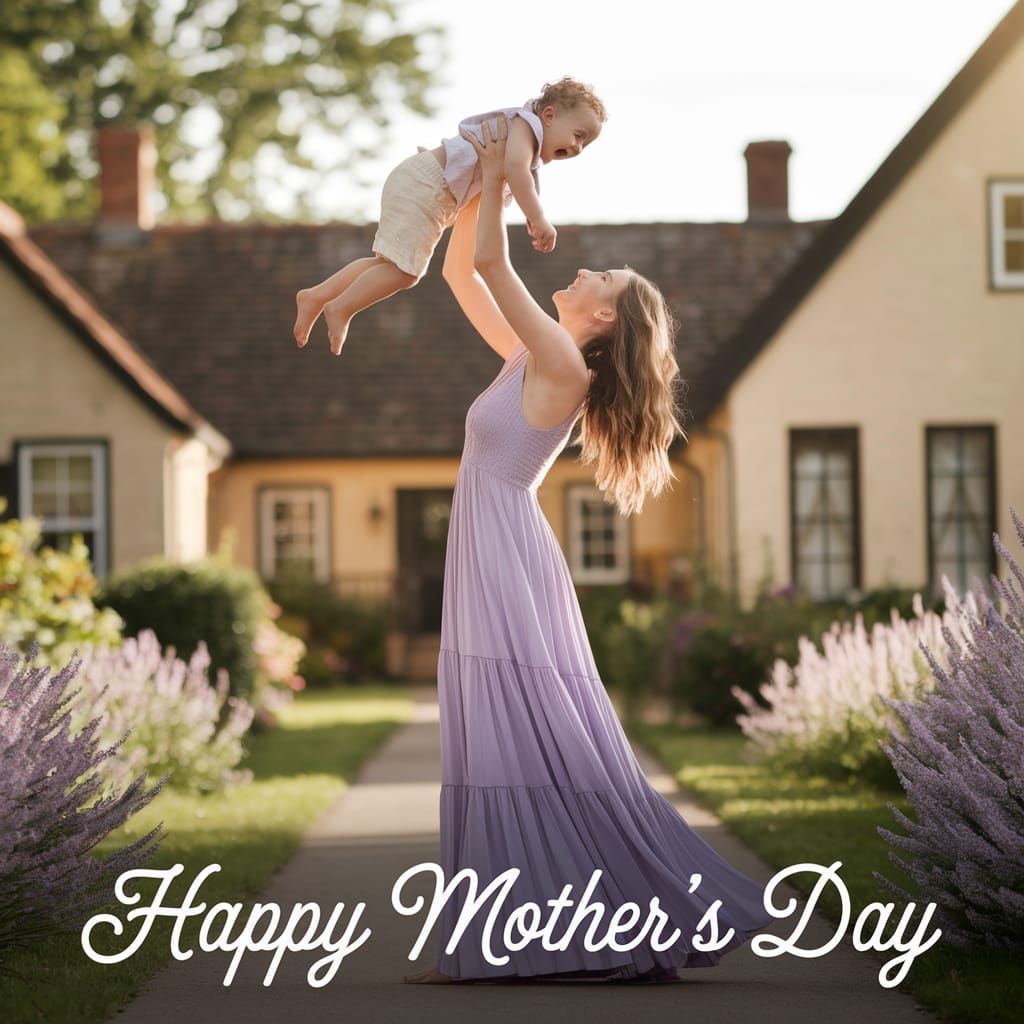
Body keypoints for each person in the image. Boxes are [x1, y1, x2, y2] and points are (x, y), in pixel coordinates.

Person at [403, 114, 775, 986]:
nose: (582, 268)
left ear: (602, 316)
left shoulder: (562, 368)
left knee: (517, 735)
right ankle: (490, 942)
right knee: (494, 735)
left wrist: (501, 172)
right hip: (493, 543)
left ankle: (530, 935)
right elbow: (463, 268)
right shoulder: (534, 357)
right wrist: (469, 186)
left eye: (599, 274)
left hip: (503, 548)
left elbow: (497, 263)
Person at [293, 77, 607, 356]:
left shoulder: (524, 138)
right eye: (578, 135)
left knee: (386, 265)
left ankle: (316, 296)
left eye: (586, 144)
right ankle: (342, 308)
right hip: (427, 186)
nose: (578, 147)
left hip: (421, 182)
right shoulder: (526, 126)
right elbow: (514, 170)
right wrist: (538, 217)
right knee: (405, 273)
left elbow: (513, 177)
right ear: (549, 116)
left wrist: (527, 209)